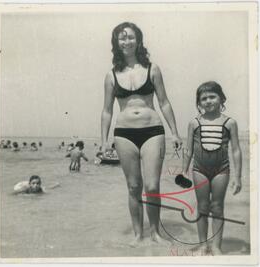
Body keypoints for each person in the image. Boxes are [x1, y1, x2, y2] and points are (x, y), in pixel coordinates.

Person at [101, 22, 182, 246]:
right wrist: (103, 141)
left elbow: (164, 102)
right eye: (122, 37)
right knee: (134, 187)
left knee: (153, 186)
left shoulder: (152, 69)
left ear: (139, 40)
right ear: (116, 43)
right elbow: (107, 111)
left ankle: (155, 232)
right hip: (124, 133)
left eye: (131, 37)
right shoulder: (111, 75)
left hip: (152, 130)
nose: (127, 41)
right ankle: (138, 234)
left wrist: (175, 132)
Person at [182, 81, 242, 255]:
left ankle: (216, 245)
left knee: (217, 207)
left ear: (221, 98)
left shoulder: (230, 123)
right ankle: (202, 245)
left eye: (212, 96)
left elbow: (236, 150)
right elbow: (189, 150)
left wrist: (238, 177)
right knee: (202, 207)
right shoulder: (194, 123)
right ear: (198, 103)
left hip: (221, 170)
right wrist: (184, 171)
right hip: (199, 170)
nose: (208, 101)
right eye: (204, 98)